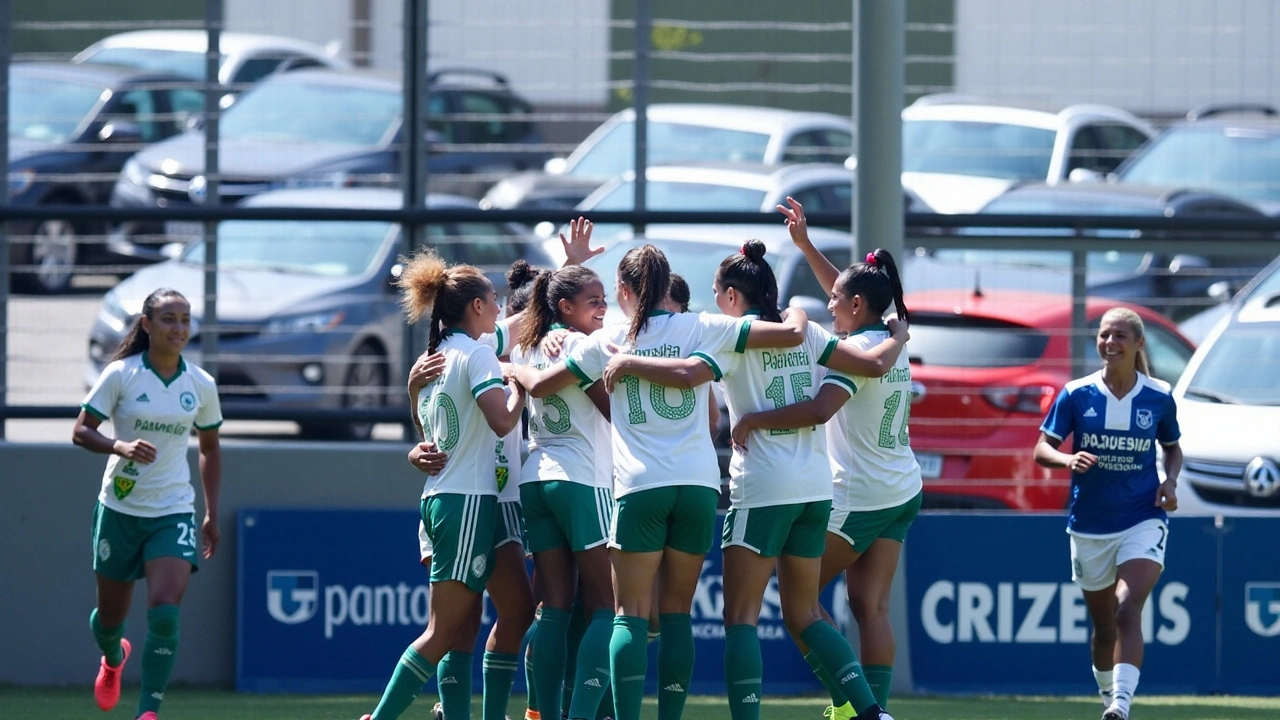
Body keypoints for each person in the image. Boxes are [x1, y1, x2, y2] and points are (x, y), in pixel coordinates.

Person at [603, 241, 907, 720]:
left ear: (729, 295)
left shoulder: (729, 335)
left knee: (739, 618)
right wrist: (894, 334)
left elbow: (687, 373)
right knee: (806, 613)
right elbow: (867, 364)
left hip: (760, 486)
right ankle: (871, 712)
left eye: (716, 290)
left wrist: (625, 361)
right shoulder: (802, 332)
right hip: (814, 486)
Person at [514, 242, 811, 720]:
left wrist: (518, 365)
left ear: (625, 290)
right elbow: (787, 336)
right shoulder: (701, 326)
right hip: (696, 485)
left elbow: (543, 385)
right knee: (676, 615)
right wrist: (796, 316)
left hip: (639, 485)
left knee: (628, 613)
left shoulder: (609, 339)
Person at [731, 196, 921, 719]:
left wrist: (752, 421)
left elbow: (818, 410)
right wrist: (806, 246)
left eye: (835, 299)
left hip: (860, 493)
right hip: (901, 486)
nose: (828, 302)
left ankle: (848, 704)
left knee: (801, 606)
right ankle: (874, 711)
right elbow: (850, 290)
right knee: (870, 607)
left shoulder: (856, 355)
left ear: (856, 305)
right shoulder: (887, 336)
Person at [361, 250, 526, 720]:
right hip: (466, 500)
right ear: (475, 306)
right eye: (493, 299)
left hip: (447, 499)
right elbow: (500, 421)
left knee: (502, 612)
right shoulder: (476, 354)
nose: (498, 307)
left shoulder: (433, 358)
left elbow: (430, 432)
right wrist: (522, 388)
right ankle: (380, 718)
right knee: (444, 630)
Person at [73, 287, 222, 720]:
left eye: (185, 319)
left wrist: (211, 510)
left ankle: (148, 711)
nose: (179, 328)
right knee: (109, 621)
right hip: (119, 510)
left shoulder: (201, 384)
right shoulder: (121, 375)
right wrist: (119, 446)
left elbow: (210, 447)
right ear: (147, 324)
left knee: (165, 613)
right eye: (169, 319)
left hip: (173, 509)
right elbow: (81, 431)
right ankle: (113, 656)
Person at [1034, 307, 1181, 720]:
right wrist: (1066, 461)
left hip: (1143, 517)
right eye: (1103, 335)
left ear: (1138, 344)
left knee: (1126, 607)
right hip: (1090, 525)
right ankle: (1108, 698)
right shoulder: (1077, 393)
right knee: (1103, 626)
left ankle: (1121, 704)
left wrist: (1169, 482)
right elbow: (1041, 448)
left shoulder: (1159, 395)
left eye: (1119, 336)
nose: (1109, 343)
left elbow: (1172, 446)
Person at [509, 255, 615, 720]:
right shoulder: (580, 345)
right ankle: (586, 714)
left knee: (553, 608)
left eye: (606, 301)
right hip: (582, 479)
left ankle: (542, 714)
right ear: (566, 306)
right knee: (607, 607)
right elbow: (616, 411)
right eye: (594, 302)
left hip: (537, 478)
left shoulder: (527, 346)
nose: (604, 310)